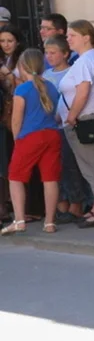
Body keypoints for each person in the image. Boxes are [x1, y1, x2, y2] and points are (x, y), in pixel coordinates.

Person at [1, 50, 61, 235]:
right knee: (50, 179)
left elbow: (17, 119)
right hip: (52, 134)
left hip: (30, 136)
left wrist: (17, 138)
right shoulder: (50, 86)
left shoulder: (23, 89)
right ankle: (50, 222)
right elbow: (56, 114)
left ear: (22, 66)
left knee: (15, 177)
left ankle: (19, 220)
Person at [61, 20, 94, 228]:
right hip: (85, 119)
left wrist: (72, 116)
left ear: (86, 37)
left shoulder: (86, 60)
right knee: (89, 167)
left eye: (72, 35)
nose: (68, 39)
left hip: (84, 120)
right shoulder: (89, 58)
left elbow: (83, 92)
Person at [42, 36, 89, 224]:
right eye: (47, 53)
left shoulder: (72, 72)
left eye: (53, 53)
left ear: (66, 54)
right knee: (56, 167)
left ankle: (76, 204)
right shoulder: (45, 75)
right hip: (50, 127)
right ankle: (61, 204)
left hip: (66, 125)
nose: (49, 56)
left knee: (71, 165)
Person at [0, 25, 27, 219]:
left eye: (9, 41)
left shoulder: (22, 59)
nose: (6, 45)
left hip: (19, 110)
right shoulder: (2, 59)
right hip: (5, 112)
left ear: (17, 41)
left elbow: (24, 86)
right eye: (2, 41)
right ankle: (8, 201)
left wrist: (7, 74)